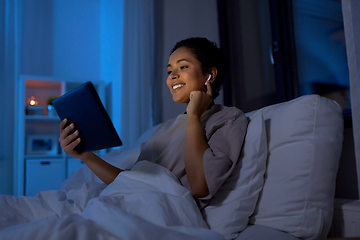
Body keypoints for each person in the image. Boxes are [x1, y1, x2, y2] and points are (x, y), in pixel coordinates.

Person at [59, 37, 248, 209]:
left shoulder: (228, 118)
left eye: (183, 67)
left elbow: (200, 186)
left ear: (210, 75)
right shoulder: (164, 129)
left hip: (158, 208)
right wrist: (85, 156)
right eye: (169, 70)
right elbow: (130, 181)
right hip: (126, 198)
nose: (172, 76)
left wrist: (193, 116)